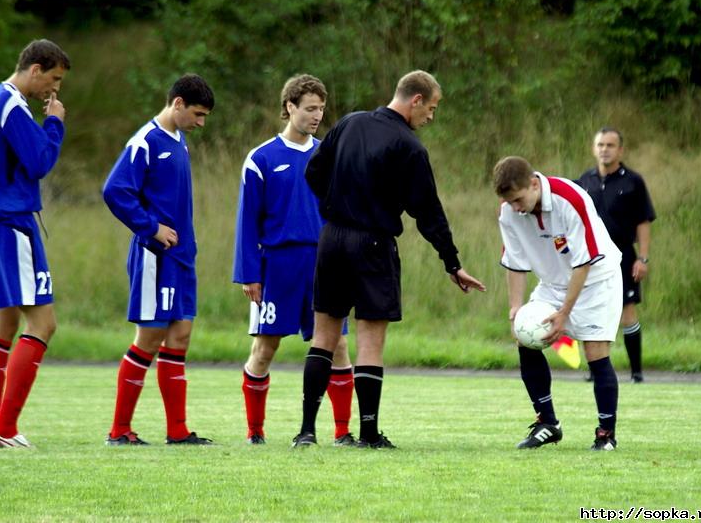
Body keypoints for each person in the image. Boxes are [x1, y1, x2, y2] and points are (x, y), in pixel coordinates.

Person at [292, 70, 486, 449]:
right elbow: (428, 212)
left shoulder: (350, 122)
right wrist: (452, 262)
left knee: (324, 336)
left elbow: (314, 171)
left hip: (331, 239)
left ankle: (306, 432)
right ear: (415, 100)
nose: (431, 117)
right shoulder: (409, 147)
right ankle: (367, 434)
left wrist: (335, 204)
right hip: (374, 244)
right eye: (430, 108)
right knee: (369, 341)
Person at [233, 74, 355, 446]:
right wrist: (249, 274)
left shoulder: (329, 155)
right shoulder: (261, 158)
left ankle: (342, 431)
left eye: (321, 109)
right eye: (310, 108)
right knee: (266, 347)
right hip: (279, 266)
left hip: (324, 262)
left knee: (337, 346)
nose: (317, 115)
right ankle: (255, 431)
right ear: (290, 107)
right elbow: (247, 222)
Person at [0, 39, 70, 448]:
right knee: (43, 323)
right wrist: (55, 123)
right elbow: (40, 162)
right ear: (34, 69)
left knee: (2, 324)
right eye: (53, 78)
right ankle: (5, 430)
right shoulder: (11, 103)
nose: (54, 90)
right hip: (10, 222)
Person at [103, 74, 215, 446]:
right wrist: (151, 227)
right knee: (150, 336)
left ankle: (178, 430)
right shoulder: (145, 141)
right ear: (178, 103)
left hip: (181, 257)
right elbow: (115, 191)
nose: (201, 123)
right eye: (197, 114)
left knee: (180, 335)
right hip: (155, 256)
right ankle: (119, 430)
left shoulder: (178, 140)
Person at [493, 156, 622, 451]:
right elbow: (514, 261)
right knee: (526, 340)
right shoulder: (508, 213)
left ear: (534, 184)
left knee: (595, 351)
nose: (515, 207)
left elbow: (583, 262)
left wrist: (564, 313)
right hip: (552, 284)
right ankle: (548, 423)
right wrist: (515, 309)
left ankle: (606, 435)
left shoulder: (571, 199)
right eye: (509, 202)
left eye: (518, 199)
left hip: (596, 280)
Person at [577, 128, 656, 383]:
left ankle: (636, 373)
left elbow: (643, 221)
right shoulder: (584, 181)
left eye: (610, 145)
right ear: (593, 148)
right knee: (591, 314)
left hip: (622, 256)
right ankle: (595, 371)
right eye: (600, 144)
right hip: (590, 258)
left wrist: (642, 258)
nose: (604, 149)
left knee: (627, 313)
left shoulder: (633, 181)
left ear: (620, 150)